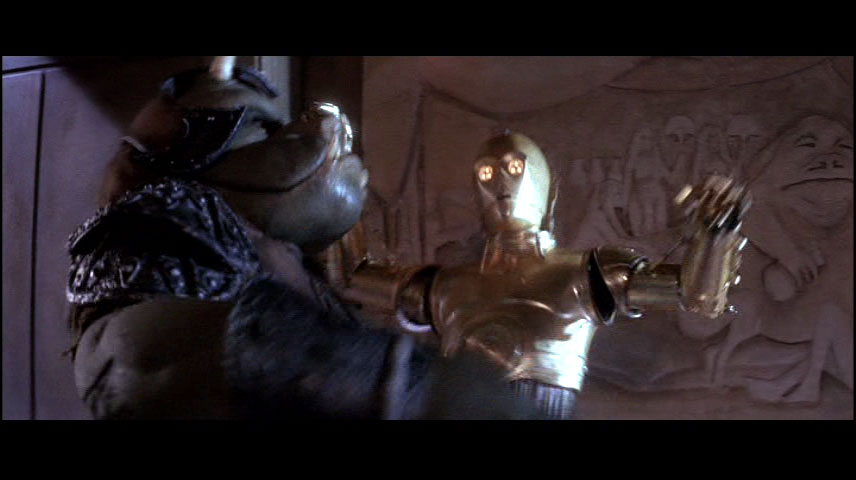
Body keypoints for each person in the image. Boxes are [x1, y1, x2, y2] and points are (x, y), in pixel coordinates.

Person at [67, 57, 540, 419]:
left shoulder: (282, 268)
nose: (315, 133)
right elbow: (152, 357)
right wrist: (407, 384)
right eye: (263, 130)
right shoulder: (139, 293)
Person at [331, 132, 751, 419]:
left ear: (548, 186)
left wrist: (716, 232)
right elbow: (351, 279)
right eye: (487, 174)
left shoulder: (585, 274)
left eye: (514, 168)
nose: (501, 183)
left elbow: (696, 294)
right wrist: (335, 183)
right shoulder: (446, 286)